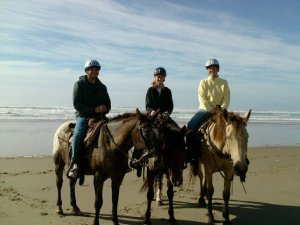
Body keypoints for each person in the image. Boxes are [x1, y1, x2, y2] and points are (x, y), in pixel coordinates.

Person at [68, 59, 111, 179]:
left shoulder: (102, 87)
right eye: (91, 69)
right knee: (79, 133)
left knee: (114, 131)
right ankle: (75, 163)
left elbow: (108, 103)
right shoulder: (79, 84)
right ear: (87, 71)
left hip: (99, 116)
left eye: (97, 69)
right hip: (83, 115)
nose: (94, 71)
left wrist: (105, 108)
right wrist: (94, 109)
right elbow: (77, 104)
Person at [131, 67, 174, 177]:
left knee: (176, 131)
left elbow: (170, 106)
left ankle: (178, 158)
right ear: (155, 77)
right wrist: (154, 113)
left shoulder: (167, 91)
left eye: (161, 76)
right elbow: (148, 105)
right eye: (157, 76)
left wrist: (166, 114)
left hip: (164, 117)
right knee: (141, 132)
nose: (159, 77)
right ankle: (136, 160)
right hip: (152, 117)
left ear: (164, 78)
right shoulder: (150, 90)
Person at [186, 58, 230, 164]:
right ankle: (191, 155)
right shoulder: (203, 82)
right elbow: (202, 98)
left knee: (235, 128)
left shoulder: (224, 83)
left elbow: (226, 98)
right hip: (204, 110)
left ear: (218, 70)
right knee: (191, 128)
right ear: (207, 70)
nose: (212, 70)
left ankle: (237, 158)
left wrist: (222, 109)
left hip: (220, 111)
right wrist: (210, 110)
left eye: (214, 68)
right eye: (210, 68)